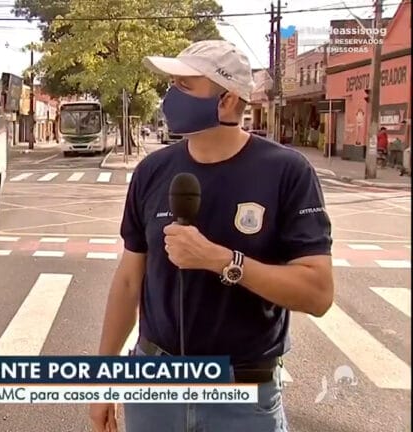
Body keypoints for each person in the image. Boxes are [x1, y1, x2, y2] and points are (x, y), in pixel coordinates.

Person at [89, 40, 334, 432]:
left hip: (243, 395)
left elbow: (319, 293)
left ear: (228, 101)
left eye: (185, 86)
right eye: (172, 85)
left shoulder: (287, 172)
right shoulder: (152, 172)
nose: (171, 97)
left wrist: (224, 261)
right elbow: (128, 280)